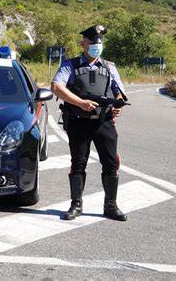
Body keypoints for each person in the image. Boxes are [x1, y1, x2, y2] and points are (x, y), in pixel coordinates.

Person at [51, 24, 128, 222]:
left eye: (99, 43)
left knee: (111, 164)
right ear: (83, 43)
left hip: (104, 122)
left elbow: (118, 91)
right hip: (79, 122)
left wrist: (118, 104)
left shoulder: (110, 67)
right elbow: (56, 87)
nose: (96, 46)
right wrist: (80, 103)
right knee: (78, 164)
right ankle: (76, 205)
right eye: (92, 42)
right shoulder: (70, 65)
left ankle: (111, 205)